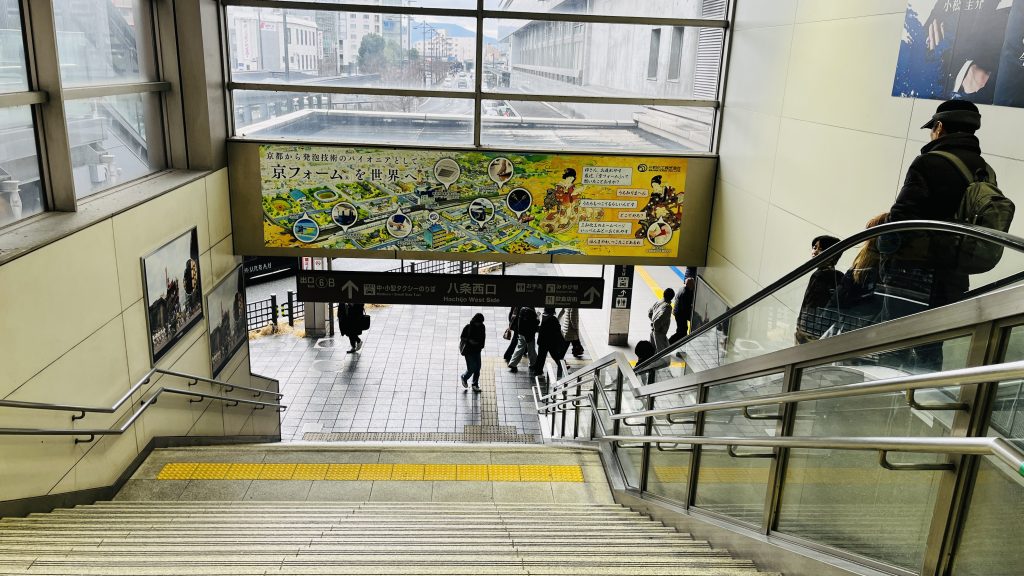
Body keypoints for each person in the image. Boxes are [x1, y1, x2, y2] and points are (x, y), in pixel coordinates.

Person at [794, 235, 844, 344]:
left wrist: (801, 329)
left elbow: (810, 306)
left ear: (831, 255)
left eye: (820, 249)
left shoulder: (819, 276)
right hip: (823, 333)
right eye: (814, 247)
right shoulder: (839, 276)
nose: (815, 252)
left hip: (808, 335)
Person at [532, 307, 567, 379]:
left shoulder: (543, 316)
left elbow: (540, 328)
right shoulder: (553, 319)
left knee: (541, 356)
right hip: (551, 341)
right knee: (555, 354)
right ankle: (561, 365)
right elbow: (557, 329)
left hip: (542, 341)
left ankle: (538, 371)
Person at [459, 313, 486, 393]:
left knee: (477, 368)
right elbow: (462, 337)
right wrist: (470, 341)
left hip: (477, 350)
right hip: (469, 351)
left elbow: (483, 337)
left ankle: (475, 384)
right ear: (474, 321)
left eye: (481, 322)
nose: (479, 324)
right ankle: (464, 377)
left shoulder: (482, 327)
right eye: (478, 322)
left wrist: (481, 346)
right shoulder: (468, 327)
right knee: (471, 368)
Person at [507, 306, 538, 373]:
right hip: (529, 334)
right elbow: (535, 323)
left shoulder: (522, 309)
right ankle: (533, 363)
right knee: (531, 349)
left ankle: (512, 363)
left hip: (521, 332)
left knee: (519, 348)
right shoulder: (531, 310)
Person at [670, 277, 695, 343]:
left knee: (682, 330)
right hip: (680, 314)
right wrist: (691, 318)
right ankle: (670, 342)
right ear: (689, 285)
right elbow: (684, 308)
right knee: (682, 331)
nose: (694, 285)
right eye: (693, 284)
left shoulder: (682, 289)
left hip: (677, 312)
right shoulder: (685, 293)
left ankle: (675, 342)